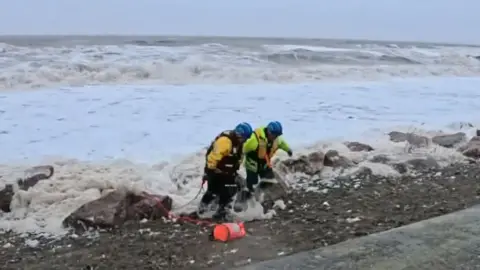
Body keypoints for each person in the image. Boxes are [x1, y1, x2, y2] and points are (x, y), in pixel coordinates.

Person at [197, 122, 253, 220]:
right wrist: (209, 171)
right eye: (244, 138)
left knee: (229, 190)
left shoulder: (238, 143)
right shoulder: (225, 142)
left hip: (227, 172)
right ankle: (203, 209)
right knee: (213, 191)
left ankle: (220, 210)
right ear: (239, 135)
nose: (245, 140)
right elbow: (213, 157)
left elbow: (238, 158)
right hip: (216, 170)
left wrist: (234, 171)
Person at [241, 121, 292, 199]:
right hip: (252, 164)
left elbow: (282, 143)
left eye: (277, 135)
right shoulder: (254, 139)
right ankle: (247, 198)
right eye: (274, 135)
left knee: (270, 179)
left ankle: (264, 195)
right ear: (269, 131)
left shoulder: (276, 139)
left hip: (264, 163)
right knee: (252, 183)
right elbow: (243, 149)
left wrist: (288, 150)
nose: (275, 137)